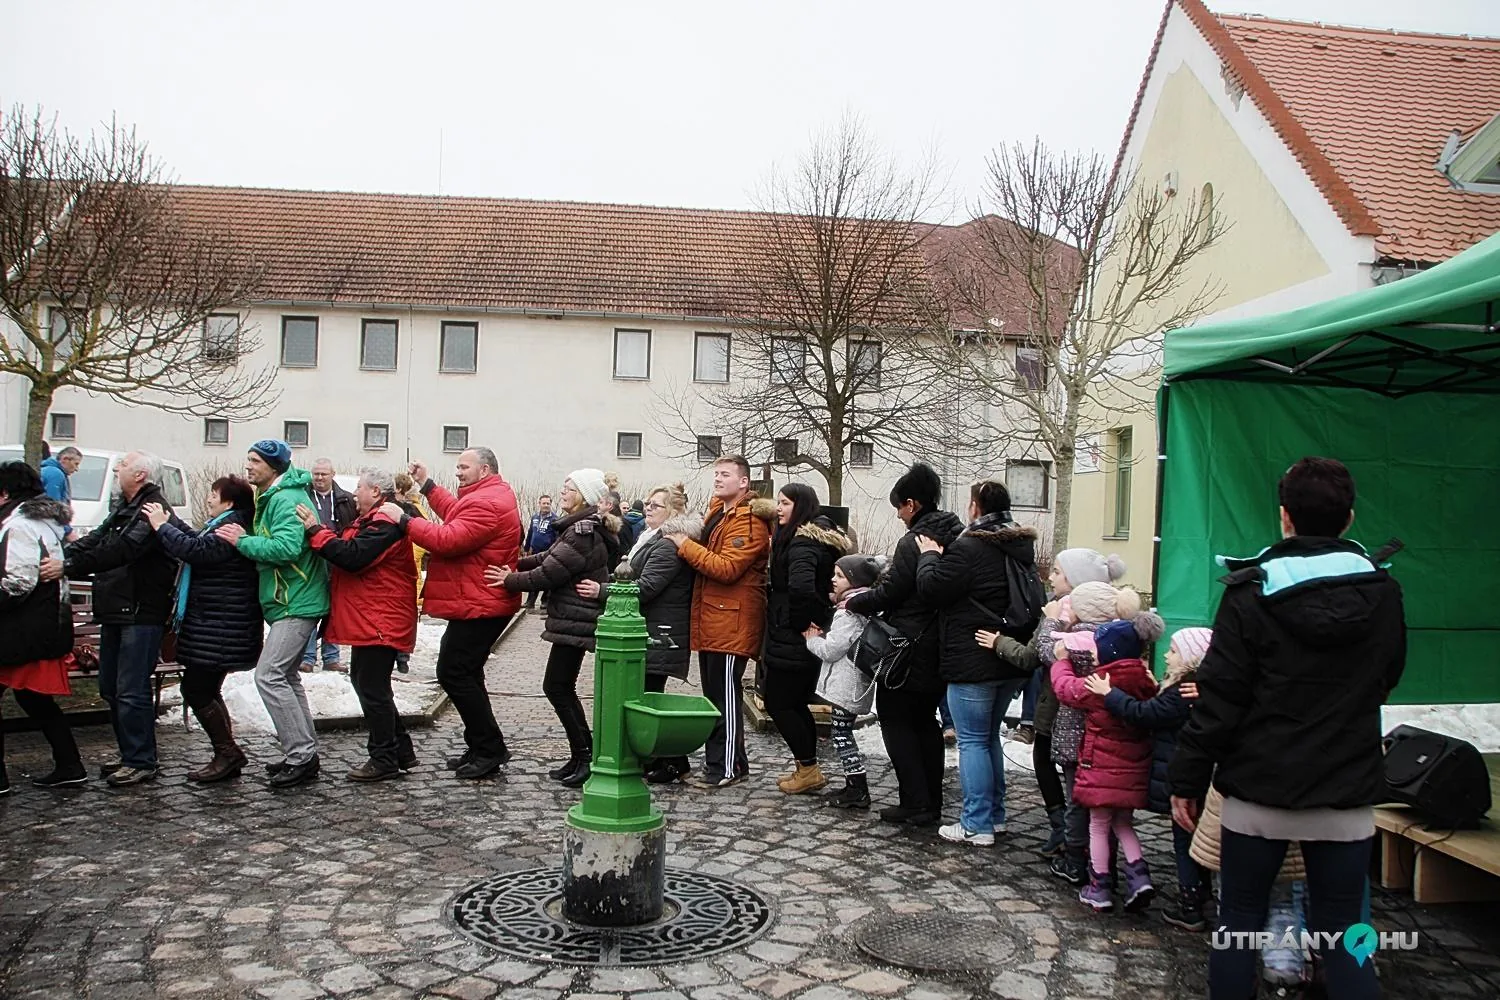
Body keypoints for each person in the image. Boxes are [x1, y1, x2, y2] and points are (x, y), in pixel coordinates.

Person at [1169, 457, 1405, 1000]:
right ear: (1348, 519)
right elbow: (1387, 678)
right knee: (1347, 934)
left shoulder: (1250, 591)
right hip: (1345, 791)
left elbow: (1220, 698)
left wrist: (1186, 776)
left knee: (1239, 925)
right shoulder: (1383, 593)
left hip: (1258, 789)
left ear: (1283, 518)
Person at [914, 479, 1044, 846]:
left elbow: (932, 589)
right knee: (988, 738)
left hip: (973, 657)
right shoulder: (1020, 545)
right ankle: (995, 816)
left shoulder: (970, 546)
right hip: (1007, 655)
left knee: (972, 741)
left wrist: (929, 556)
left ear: (975, 507)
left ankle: (976, 823)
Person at [846, 463, 964, 825]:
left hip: (908, 648)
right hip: (940, 643)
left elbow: (892, 591)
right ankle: (931, 802)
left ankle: (914, 801)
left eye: (899, 507)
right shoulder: (956, 534)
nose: (898, 515)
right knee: (926, 723)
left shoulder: (913, 541)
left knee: (897, 721)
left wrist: (855, 600)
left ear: (912, 504)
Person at [393, 448, 522, 780]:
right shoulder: (488, 494)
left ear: (484, 469)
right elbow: (456, 513)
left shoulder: (488, 502)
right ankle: (483, 745)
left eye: (464, 467)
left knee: (454, 672)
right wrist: (427, 485)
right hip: (478, 601)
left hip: (482, 603)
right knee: (464, 672)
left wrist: (405, 520)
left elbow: (448, 539)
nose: (458, 472)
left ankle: (490, 748)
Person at [488, 469, 617, 788]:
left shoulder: (581, 531)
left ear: (584, 496)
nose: (563, 492)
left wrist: (509, 581)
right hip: (574, 616)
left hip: (576, 618)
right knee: (560, 686)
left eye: (570, 488)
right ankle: (580, 755)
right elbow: (549, 557)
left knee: (557, 687)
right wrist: (518, 563)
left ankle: (586, 756)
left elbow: (550, 573)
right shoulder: (577, 528)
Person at [59, 451, 179, 787]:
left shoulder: (152, 509)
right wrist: (63, 554)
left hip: (140, 610)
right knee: (110, 686)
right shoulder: (123, 508)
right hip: (117, 607)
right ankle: (130, 753)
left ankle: (141, 760)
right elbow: (97, 540)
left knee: (130, 688)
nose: (117, 469)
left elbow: (124, 550)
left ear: (140, 474)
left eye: (123, 465)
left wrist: (68, 567)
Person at [215, 440, 330, 789]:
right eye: (248, 459)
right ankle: (302, 752)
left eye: (255, 461)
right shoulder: (273, 496)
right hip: (289, 600)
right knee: (287, 676)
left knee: (269, 675)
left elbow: (286, 547)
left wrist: (242, 541)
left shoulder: (285, 499)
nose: (248, 466)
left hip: (298, 600)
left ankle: (302, 756)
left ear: (274, 467)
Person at [661, 456, 775, 789]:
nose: (717, 479)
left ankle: (723, 768)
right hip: (715, 618)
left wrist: (684, 546)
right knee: (714, 696)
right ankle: (733, 762)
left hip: (732, 621)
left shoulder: (749, 521)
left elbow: (726, 568)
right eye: (716, 474)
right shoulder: (721, 513)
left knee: (724, 696)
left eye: (725, 475)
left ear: (744, 482)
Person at [1085, 627, 1211, 930]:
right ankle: (1199, 893)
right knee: (1194, 837)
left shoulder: (1183, 691)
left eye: (1173, 651)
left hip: (1182, 778)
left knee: (1186, 841)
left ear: (1191, 658)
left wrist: (1110, 694)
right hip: (1192, 775)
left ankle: (1190, 903)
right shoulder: (1193, 690)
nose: (1166, 655)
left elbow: (1144, 713)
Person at [143, 476, 261, 782]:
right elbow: (197, 540)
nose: (208, 499)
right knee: (205, 689)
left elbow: (195, 551)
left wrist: (161, 526)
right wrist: (171, 521)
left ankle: (228, 753)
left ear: (229, 502)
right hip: (217, 625)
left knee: (196, 689)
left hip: (221, 627)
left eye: (213, 495)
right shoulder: (224, 523)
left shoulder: (229, 527)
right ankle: (226, 753)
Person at [303, 468, 420, 781]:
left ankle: (384, 758)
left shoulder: (385, 524)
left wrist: (317, 531)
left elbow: (353, 556)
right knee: (369, 684)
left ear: (377, 494)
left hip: (381, 619)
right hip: (373, 616)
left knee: (371, 688)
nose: (354, 495)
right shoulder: (373, 521)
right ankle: (399, 751)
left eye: (360, 489)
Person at [1051, 616, 1163, 911]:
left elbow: (1066, 689)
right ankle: (1139, 876)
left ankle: (1099, 885)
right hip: (1133, 769)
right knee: (1124, 824)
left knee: (1099, 825)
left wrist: (1060, 662)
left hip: (1100, 767)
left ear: (1110, 652)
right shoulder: (1145, 679)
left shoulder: (1101, 684)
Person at [1028, 549, 1127, 860]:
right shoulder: (1101, 616)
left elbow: (1044, 652)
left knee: (1071, 781)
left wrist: (1050, 621)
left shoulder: (1078, 619)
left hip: (1067, 713)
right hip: (1065, 711)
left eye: (1058, 572)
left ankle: (1073, 845)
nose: (1051, 577)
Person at [0, 462, 84, 792]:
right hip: (42, 625)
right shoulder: (44, 522)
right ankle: (69, 764)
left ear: (5, 493)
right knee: (33, 699)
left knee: (32, 699)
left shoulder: (19, 525)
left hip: (23, 629)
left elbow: (18, 582)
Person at [762, 485, 850, 795]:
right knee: (795, 703)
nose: (779, 508)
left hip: (792, 634)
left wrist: (801, 623)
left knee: (779, 702)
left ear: (801, 507)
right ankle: (806, 767)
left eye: (785, 503)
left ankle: (809, 768)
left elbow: (800, 588)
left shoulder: (802, 542)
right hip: (796, 630)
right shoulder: (813, 538)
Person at [611, 483, 697, 784]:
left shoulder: (667, 544)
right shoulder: (650, 537)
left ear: (672, 511)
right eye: (647, 503)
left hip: (660, 631)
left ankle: (673, 761)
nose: (648, 507)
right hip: (651, 627)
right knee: (648, 696)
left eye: (656, 505)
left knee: (651, 698)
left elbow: (646, 588)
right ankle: (666, 759)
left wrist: (603, 591)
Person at [806, 554, 882, 808]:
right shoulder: (859, 606)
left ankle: (857, 787)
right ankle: (853, 785)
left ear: (854, 581)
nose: (833, 580)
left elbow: (832, 650)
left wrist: (812, 639)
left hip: (845, 685)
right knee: (841, 733)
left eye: (839, 576)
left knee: (841, 734)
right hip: (851, 683)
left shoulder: (848, 613)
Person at [301, 458, 355, 673]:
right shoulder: (304, 498)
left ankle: (331, 656)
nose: (319, 478)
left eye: (324, 474)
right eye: (316, 474)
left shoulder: (345, 500)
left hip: (335, 558)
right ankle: (307, 656)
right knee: (311, 608)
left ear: (333, 474)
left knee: (333, 609)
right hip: (311, 560)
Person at [523, 494, 559, 610]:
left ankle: (545, 600)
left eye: (548, 503)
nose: (546, 506)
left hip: (547, 553)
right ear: (539, 504)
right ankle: (530, 601)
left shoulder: (555, 520)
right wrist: (526, 548)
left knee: (546, 576)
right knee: (533, 577)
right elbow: (530, 533)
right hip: (534, 552)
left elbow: (557, 538)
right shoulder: (534, 517)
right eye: (544, 503)